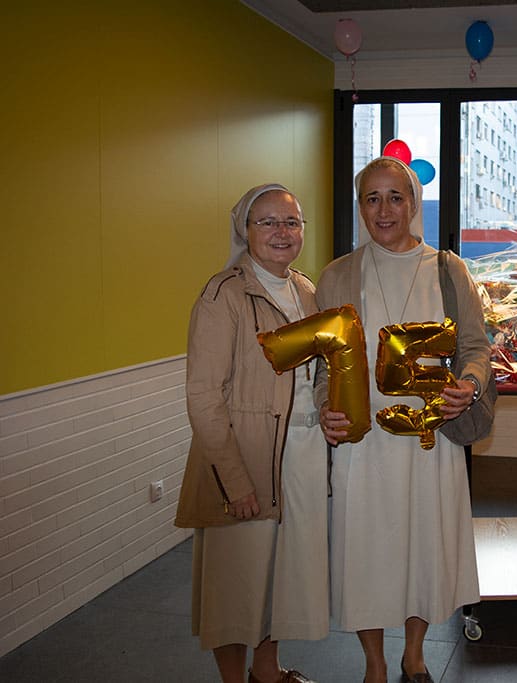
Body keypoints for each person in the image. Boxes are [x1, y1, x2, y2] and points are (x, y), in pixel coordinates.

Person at [316, 157, 488, 683]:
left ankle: (414, 654)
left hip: (428, 439)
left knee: (423, 545)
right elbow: (323, 366)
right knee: (365, 550)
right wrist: (325, 407)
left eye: (395, 196)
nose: (384, 209)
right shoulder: (337, 275)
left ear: (414, 203)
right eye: (372, 198)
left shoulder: (448, 270)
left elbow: (476, 348)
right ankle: (374, 663)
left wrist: (470, 385)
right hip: (364, 442)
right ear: (360, 207)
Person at [175, 184, 326, 683]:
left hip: (299, 457)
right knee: (234, 585)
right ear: (245, 230)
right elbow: (204, 396)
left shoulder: (306, 291)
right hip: (249, 456)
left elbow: (318, 373)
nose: (282, 232)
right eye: (268, 222)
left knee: (276, 577)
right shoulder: (224, 295)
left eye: (292, 222)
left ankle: (267, 671)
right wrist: (234, 480)